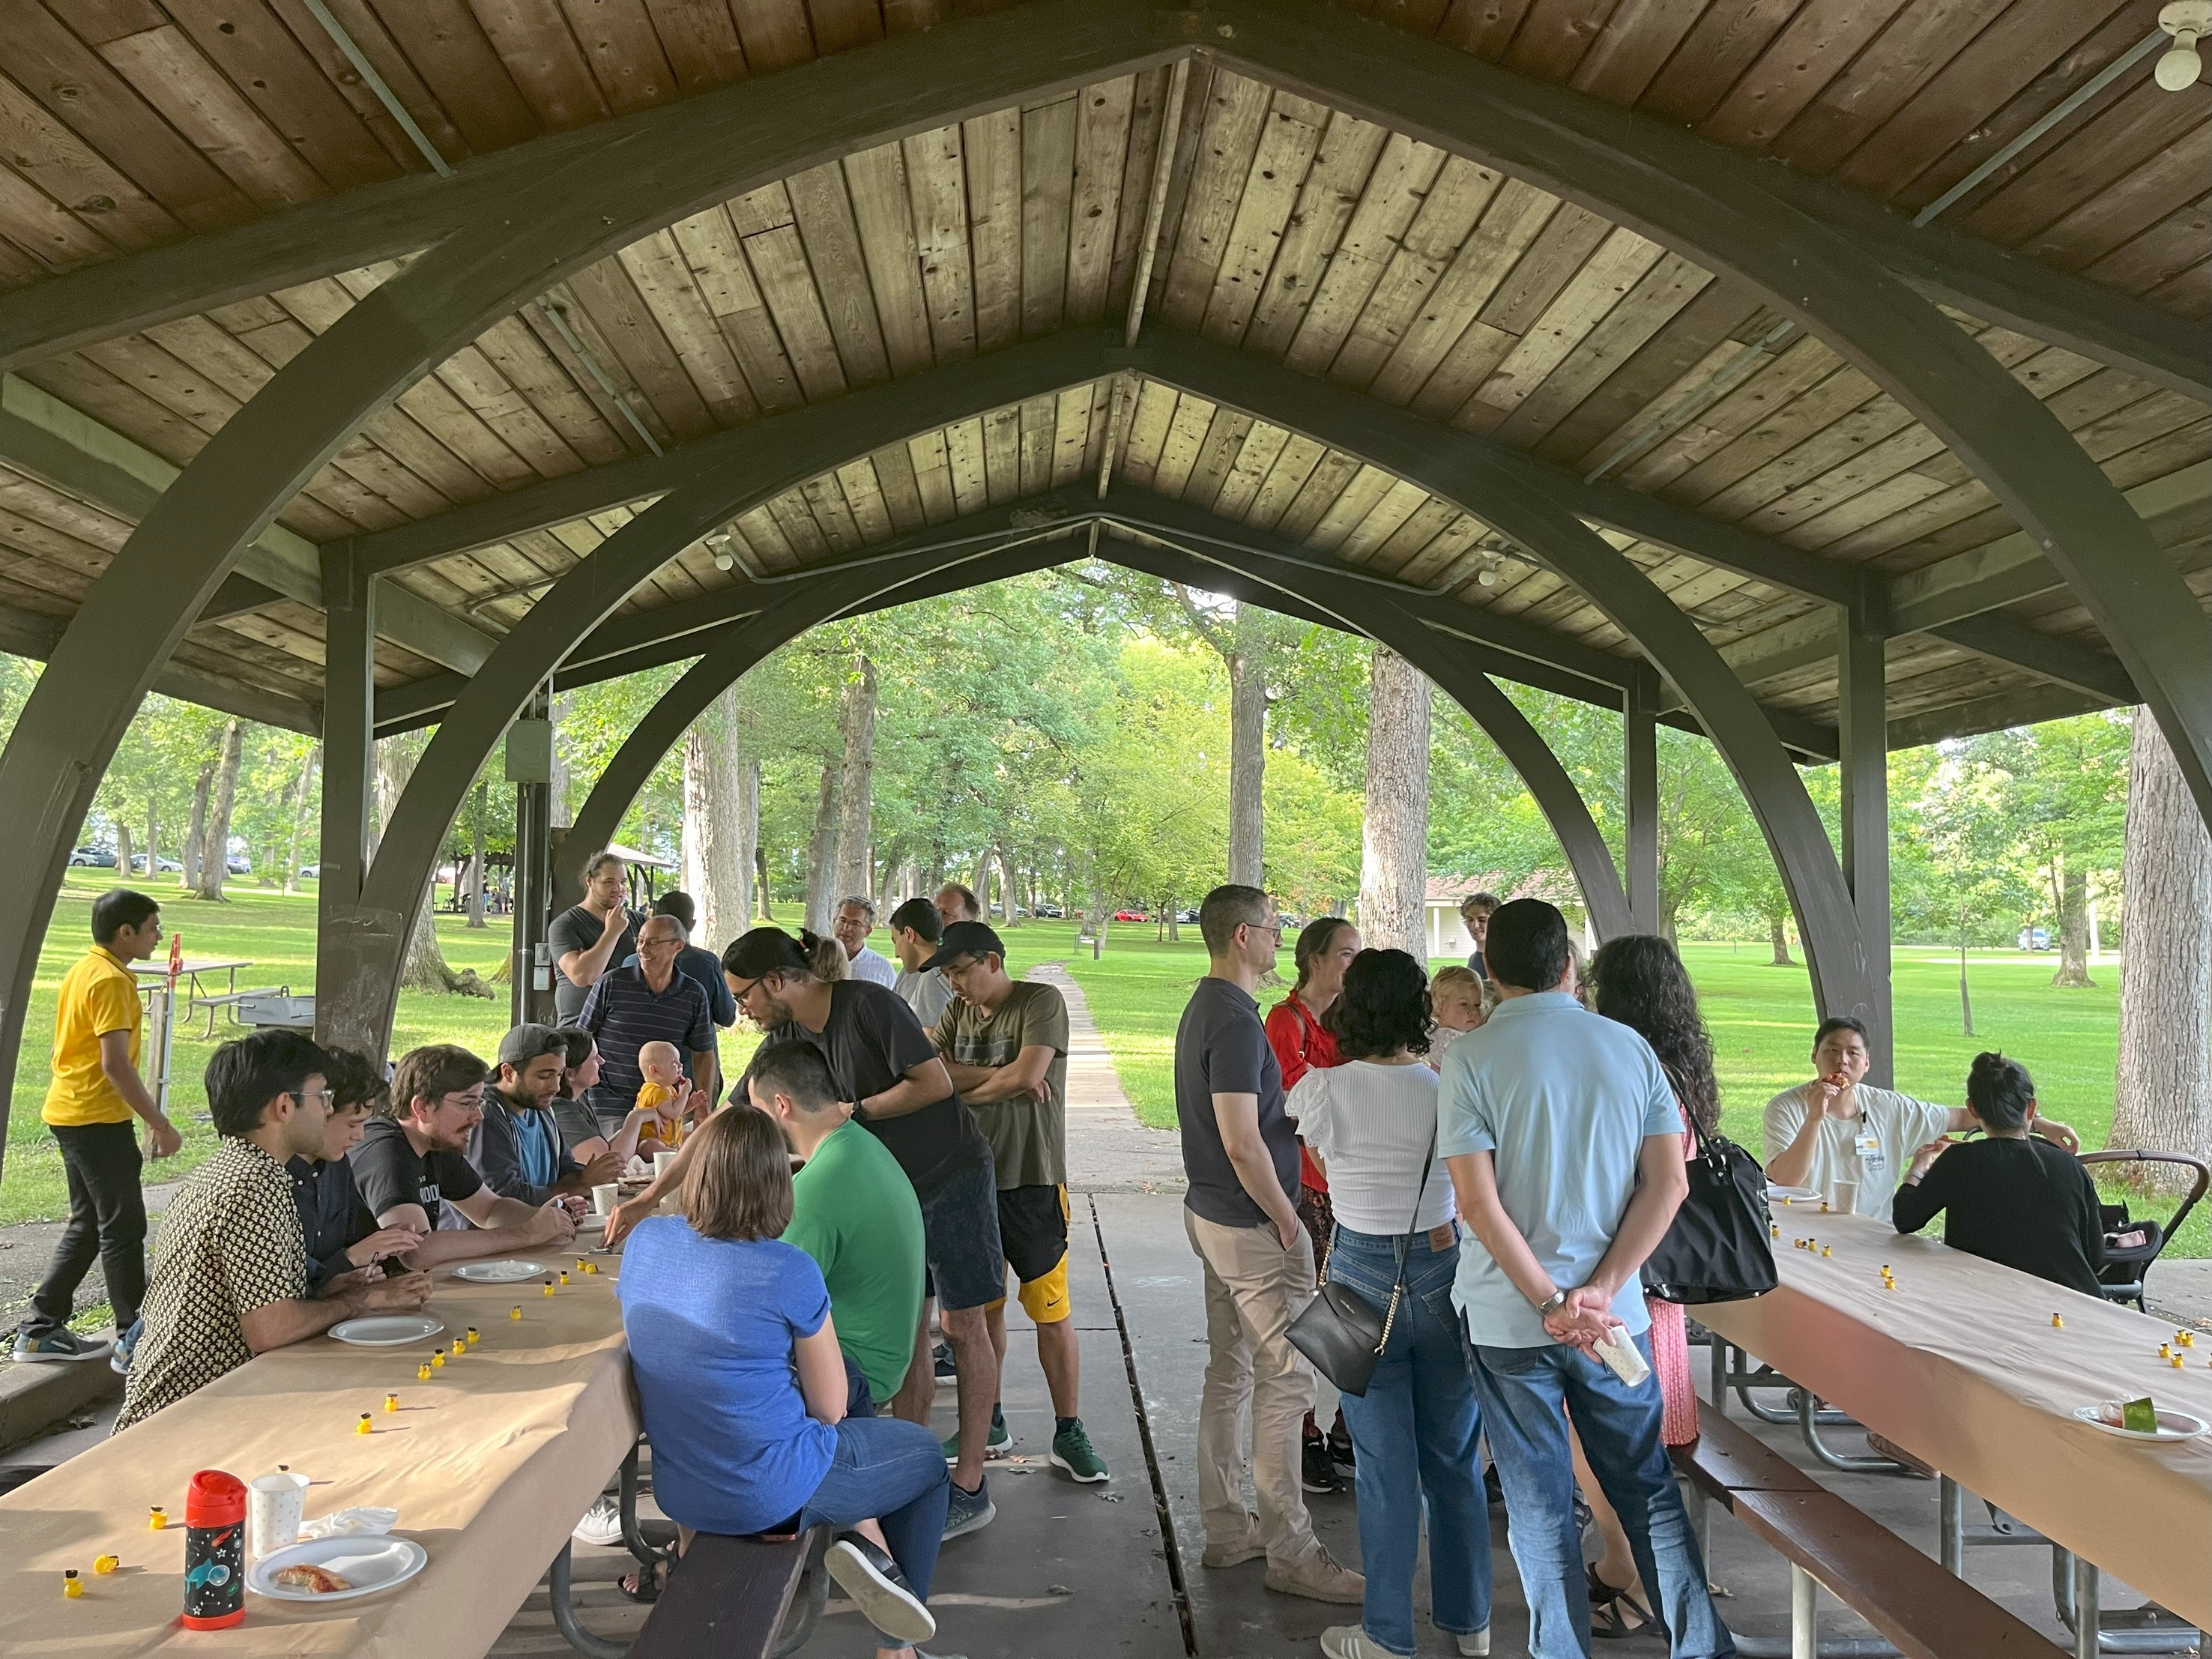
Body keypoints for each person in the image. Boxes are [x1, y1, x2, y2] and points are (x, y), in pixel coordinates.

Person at [618, 928, 1003, 1541]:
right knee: (902, 1327)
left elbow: (935, 1083)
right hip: (874, 1185)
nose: (741, 1009)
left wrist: (851, 1112)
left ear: (777, 981)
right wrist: (648, 1196)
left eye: (744, 995)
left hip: (945, 1173)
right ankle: (894, 1473)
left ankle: (971, 1483)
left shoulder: (868, 1005)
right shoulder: (786, 1038)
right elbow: (730, 1115)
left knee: (962, 1325)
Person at [1439, 899, 1729, 1659]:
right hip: (1615, 1322)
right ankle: (1702, 1645)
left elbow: (1476, 1201)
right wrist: (1601, 1289)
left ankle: (1559, 1650)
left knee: (1538, 1504)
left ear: (1491, 972)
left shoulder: (1470, 1057)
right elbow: (1668, 1185)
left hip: (1510, 1320)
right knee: (1648, 1493)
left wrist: (1547, 1299)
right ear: (1569, 966)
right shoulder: (1631, 1048)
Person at [616, 1106, 952, 1659]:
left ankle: (866, 1537)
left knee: (856, 1383)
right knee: (926, 1464)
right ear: (781, 1180)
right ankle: (898, 1648)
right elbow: (829, 1411)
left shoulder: (647, 1242)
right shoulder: (787, 1268)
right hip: (770, 1494)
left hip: (683, 1487)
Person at [1285, 948, 1491, 1659]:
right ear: (1419, 1015)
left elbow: (1316, 1149)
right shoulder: (1449, 1088)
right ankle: (1470, 1624)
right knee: (1456, 1458)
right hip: (1443, 1271)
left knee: (1382, 1467)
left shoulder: (1320, 1090)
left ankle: (1387, 1633)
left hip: (1357, 1278)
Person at [1173, 883, 1363, 1605]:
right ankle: (1291, 1549)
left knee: (1234, 1374)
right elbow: (1241, 1139)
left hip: (1215, 1217)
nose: (1281, 940)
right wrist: (1287, 1218)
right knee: (1286, 1382)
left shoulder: (1212, 1009)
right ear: (1244, 935)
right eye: (1275, 929)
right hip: (1249, 1225)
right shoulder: (1237, 1021)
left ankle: (1229, 1530)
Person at [115, 1032, 431, 1433]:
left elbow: (249, 1302)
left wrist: (332, 1290)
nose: (328, 1109)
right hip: (190, 1414)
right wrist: (363, 1301)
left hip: (195, 1403)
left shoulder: (233, 1169)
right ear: (284, 1106)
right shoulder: (255, 1186)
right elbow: (271, 1328)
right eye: (322, 1098)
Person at [925, 920, 1107, 1483]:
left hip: (1032, 1179)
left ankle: (1069, 1429)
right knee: (982, 1311)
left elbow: (1030, 1073)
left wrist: (980, 1080)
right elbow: (931, 1075)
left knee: (1051, 1311)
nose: (954, 983)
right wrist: (1000, 1077)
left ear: (992, 961)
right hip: (970, 1179)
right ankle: (992, 1420)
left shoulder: (1039, 1002)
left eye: (960, 970)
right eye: (948, 974)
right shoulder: (958, 1015)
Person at [1583, 934, 1719, 1636]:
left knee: (1605, 1437)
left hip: (1624, 1276)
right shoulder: (1684, 1065)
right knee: (1643, 1432)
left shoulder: (1634, 1065)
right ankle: (1645, 1568)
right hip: (1659, 1278)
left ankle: (1627, 1573)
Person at [14, 889, 181, 1368]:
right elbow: (115, 1064)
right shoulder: (110, 981)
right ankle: (136, 1338)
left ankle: (39, 1328)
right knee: (125, 1226)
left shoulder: (86, 968)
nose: (158, 936)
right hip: (95, 1118)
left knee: (92, 1223)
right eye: (152, 928)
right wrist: (159, 1123)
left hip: (73, 1112)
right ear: (125, 932)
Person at [749, 1039, 926, 1415]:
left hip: (853, 1375)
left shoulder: (814, 1193)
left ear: (781, 1106)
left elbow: (768, 1304)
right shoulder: (861, 1145)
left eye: (757, 1110)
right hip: (884, 1362)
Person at [1763, 1016, 2079, 1221]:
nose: (1841, 1061)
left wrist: (2036, 1123)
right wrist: (1815, 1119)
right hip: (1804, 1233)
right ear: (1814, 1056)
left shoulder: (1888, 1106)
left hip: (1871, 1236)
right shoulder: (1786, 1108)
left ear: (1867, 1063)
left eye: (1852, 1053)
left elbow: (1963, 1116)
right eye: (1831, 1051)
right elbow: (1785, 1181)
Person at [1265, 915, 1360, 1495]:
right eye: (1346, 954)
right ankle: (1303, 1436)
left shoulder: (1351, 1021)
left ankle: (1349, 1431)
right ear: (1315, 960)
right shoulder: (1286, 1020)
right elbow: (1298, 1100)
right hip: (1306, 1186)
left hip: (1349, 1183)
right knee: (1304, 1311)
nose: (1354, 963)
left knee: (1357, 1315)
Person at [1893, 1053, 2106, 1299]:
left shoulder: (1959, 1161)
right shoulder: (2069, 1166)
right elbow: (2097, 1258)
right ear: (2031, 1108)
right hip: (2074, 1304)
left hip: (1986, 1301)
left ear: (1972, 1108)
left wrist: (1917, 1170)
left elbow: (1905, 1219)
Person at [351, 1045, 578, 1266]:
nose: (478, 1116)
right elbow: (418, 1250)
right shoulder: (386, 1153)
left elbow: (490, 1210)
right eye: (467, 1103)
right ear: (422, 1108)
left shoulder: (436, 1141)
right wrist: (527, 1233)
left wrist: (548, 1217)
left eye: (478, 1103)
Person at [579, 913, 718, 1141]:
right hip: (610, 1103)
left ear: (678, 947)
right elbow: (583, 1037)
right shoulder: (612, 983)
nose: (643, 949)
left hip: (666, 1107)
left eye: (653, 943)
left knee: (660, 1167)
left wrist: (703, 1105)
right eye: (640, 941)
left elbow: (703, 1053)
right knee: (616, 1169)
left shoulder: (693, 994)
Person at [293, 1047, 421, 1293]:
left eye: (365, 1123)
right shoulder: (270, 1182)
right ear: (319, 1113)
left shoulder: (337, 1166)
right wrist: (350, 1259)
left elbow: (361, 1236)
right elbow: (279, 1300)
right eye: (353, 1124)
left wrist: (390, 1241)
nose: (360, 1135)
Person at [469, 1024, 620, 1206]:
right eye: (544, 1076)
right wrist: (582, 1183)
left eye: (558, 1075)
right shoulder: (487, 1115)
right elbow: (502, 1198)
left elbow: (564, 1170)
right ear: (508, 1073)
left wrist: (594, 1176)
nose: (555, 1087)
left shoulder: (542, 1109)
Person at [623, 890, 738, 1027]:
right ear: (692, 924)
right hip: (692, 1046)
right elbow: (726, 1017)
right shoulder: (706, 963)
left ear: (653, 919)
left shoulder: (629, 962)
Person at [551, 850, 641, 1021]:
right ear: (590, 881)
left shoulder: (639, 921)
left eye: (622, 882)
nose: (618, 889)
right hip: (580, 1030)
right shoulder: (565, 924)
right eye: (609, 882)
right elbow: (582, 976)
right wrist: (612, 932)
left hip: (626, 1028)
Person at [605, 1040, 699, 1165]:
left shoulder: (668, 1088)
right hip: (653, 1139)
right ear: (655, 1070)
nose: (681, 1066)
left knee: (693, 1135)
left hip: (671, 1138)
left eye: (679, 1061)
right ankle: (679, 1157)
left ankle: (680, 1152)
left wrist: (691, 1104)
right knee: (649, 1146)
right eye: (674, 1063)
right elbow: (674, 1113)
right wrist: (685, 1093)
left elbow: (673, 1114)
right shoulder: (654, 1091)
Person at [888, 897, 955, 1028]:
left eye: (895, 941)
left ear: (909, 934)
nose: (896, 954)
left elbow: (930, 1042)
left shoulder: (936, 976)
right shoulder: (907, 973)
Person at [549, 1027, 608, 1157]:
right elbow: (602, 1158)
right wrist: (635, 1120)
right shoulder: (559, 1107)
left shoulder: (578, 1096)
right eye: (594, 1059)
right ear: (570, 1074)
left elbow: (607, 1149)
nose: (602, 1061)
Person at [1428, 965, 1487, 1069]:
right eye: (1464, 1005)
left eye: (1477, 1005)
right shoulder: (1451, 1040)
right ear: (1439, 1007)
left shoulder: (1436, 1036)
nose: (1472, 1011)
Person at [835, 896, 900, 988]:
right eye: (842, 920)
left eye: (855, 923)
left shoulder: (883, 969)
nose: (846, 928)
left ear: (867, 931)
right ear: (834, 921)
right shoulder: (817, 960)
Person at [1460, 892, 1500, 979]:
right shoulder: (1474, 959)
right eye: (1470, 919)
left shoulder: (1501, 960)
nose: (1475, 926)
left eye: (1482, 920)